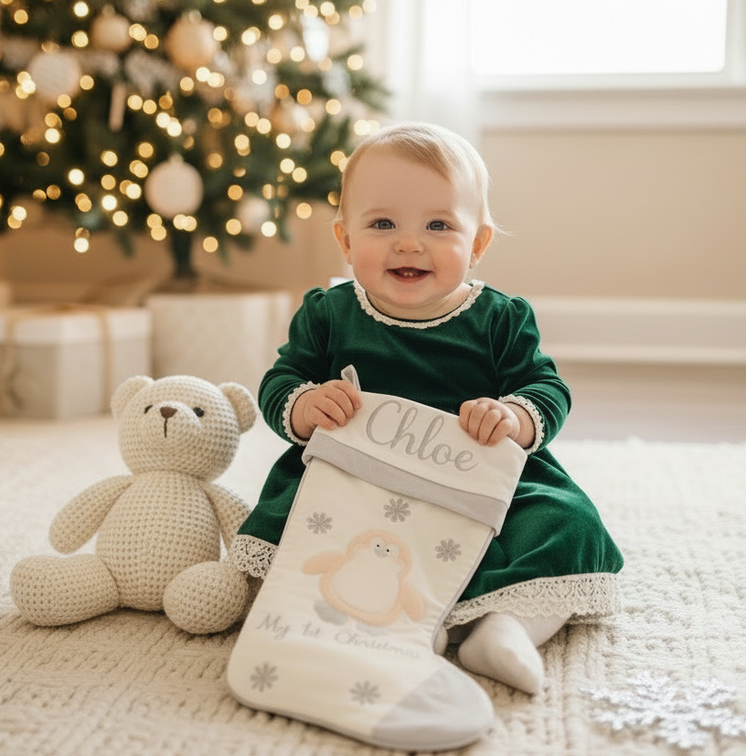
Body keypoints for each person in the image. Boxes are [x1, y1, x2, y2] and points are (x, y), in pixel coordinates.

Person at [230, 121, 624, 695]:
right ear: (344, 240)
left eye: (439, 225)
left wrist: (513, 416)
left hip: (472, 480)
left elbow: (547, 388)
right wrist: (305, 404)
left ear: (478, 244)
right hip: (358, 481)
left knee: (566, 522)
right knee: (288, 519)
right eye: (382, 223)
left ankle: (505, 628)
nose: (409, 242)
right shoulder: (328, 314)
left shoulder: (499, 318)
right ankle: (388, 623)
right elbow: (280, 381)